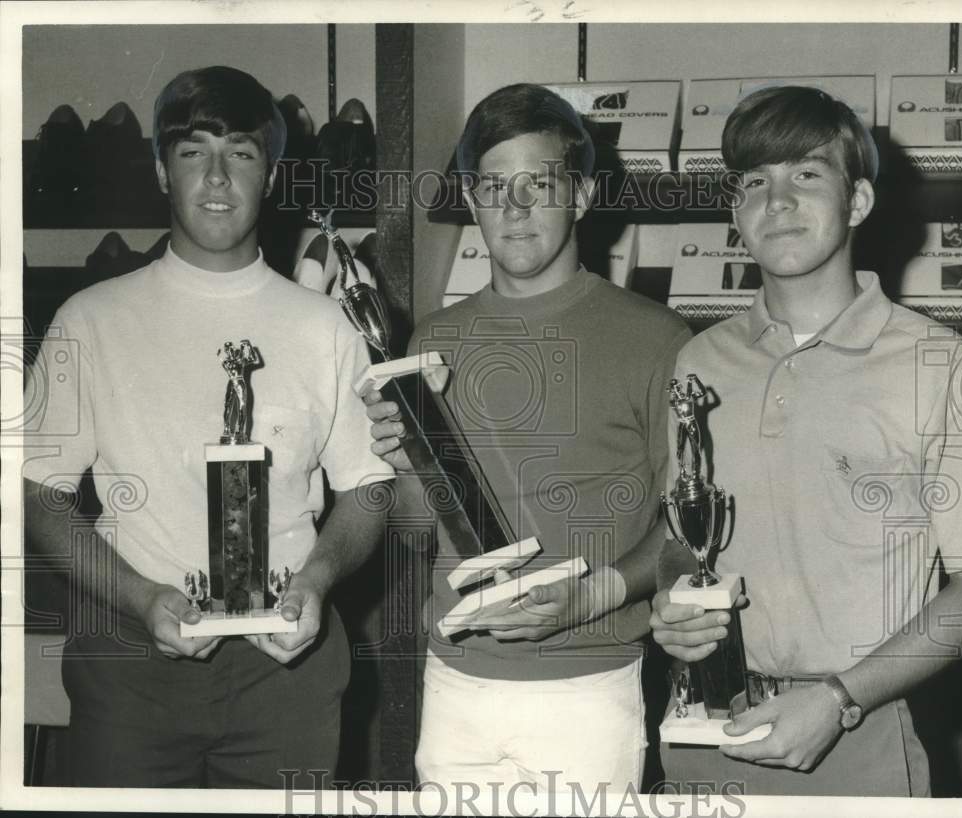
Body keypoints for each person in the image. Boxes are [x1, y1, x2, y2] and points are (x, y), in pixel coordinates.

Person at [22, 65, 392, 788]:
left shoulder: (325, 326)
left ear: (272, 174)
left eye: (243, 154)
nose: (218, 177)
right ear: (162, 170)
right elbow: (40, 494)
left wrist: (316, 582)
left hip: (287, 666)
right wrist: (139, 597)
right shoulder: (90, 319)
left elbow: (369, 488)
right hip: (131, 662)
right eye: (194, 152)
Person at [649, 85, 962, 796]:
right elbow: (684, 534)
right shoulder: (698, 363)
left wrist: (840, 697)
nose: (778, 201)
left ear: (857, 201)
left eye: (806, 174)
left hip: (858, 737)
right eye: (755, 183)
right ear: (735, 212)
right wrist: (673, 600)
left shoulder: (941, 363)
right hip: (705, 736)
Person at [364, 83, 693, 793]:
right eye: (492, 186)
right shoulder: (434, 340)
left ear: (581, 196)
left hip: (588, 686)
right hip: (456, 678)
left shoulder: (657, 339)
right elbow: (421, 527)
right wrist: (407, 467)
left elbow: (689, 528)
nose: (512, 209)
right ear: (472, 199)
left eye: (537, 185)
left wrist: (593, 596)